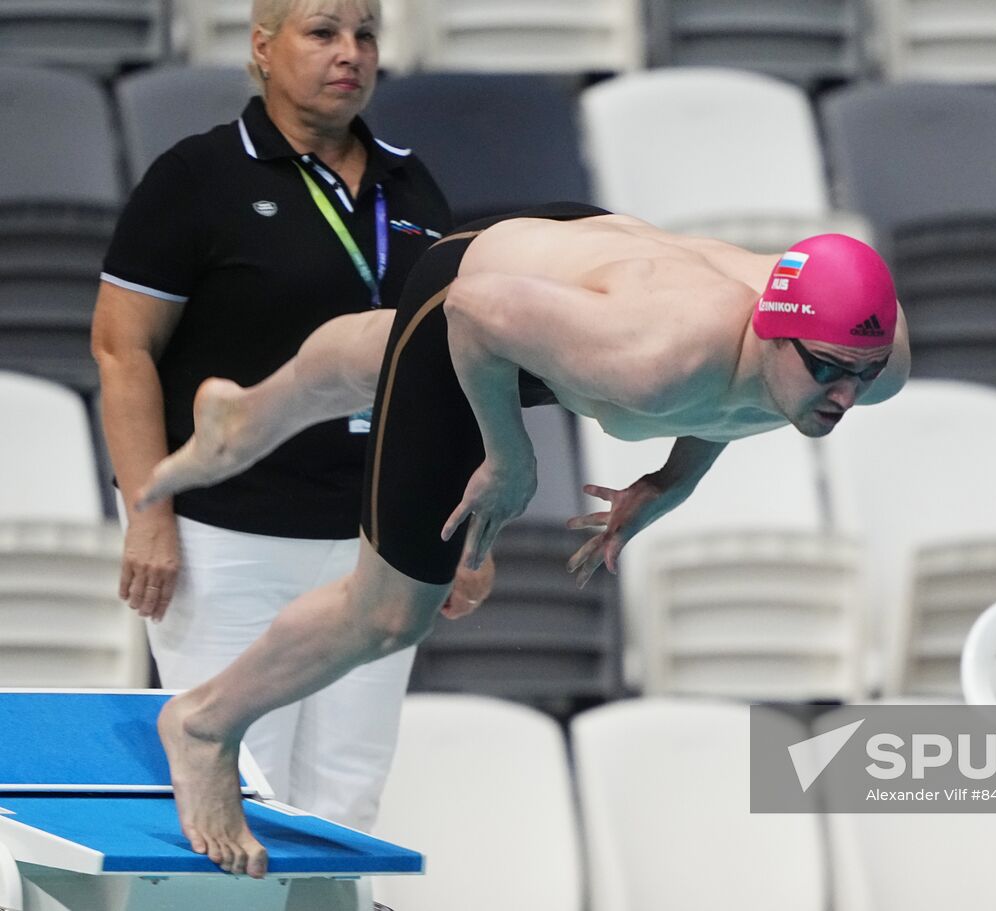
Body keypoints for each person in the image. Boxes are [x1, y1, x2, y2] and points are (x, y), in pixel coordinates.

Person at [136, 206, 910, 877]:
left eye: (862, 375)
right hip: (478, 295)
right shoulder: (655, 359)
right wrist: (507, 457)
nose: (846, 397)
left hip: (572, 264)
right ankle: (205, 723)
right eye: (831, 372)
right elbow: (472, 309)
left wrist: (673, 479)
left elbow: (742, 394)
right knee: (390, 613)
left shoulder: (857, 359)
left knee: (384, 355)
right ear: (778, 331)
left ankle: (241, 417)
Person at [89, 0, 484, 835]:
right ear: (263, 49)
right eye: (323, 32)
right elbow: (123, 353)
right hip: (231, 542)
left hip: (381, 541)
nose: (350, 52)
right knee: (240, 792)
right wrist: (148, 511)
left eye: (365, 34)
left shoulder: (412, 183)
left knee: (348, 800)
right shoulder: (196, 178)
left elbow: (450, 366)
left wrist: (465, 530)